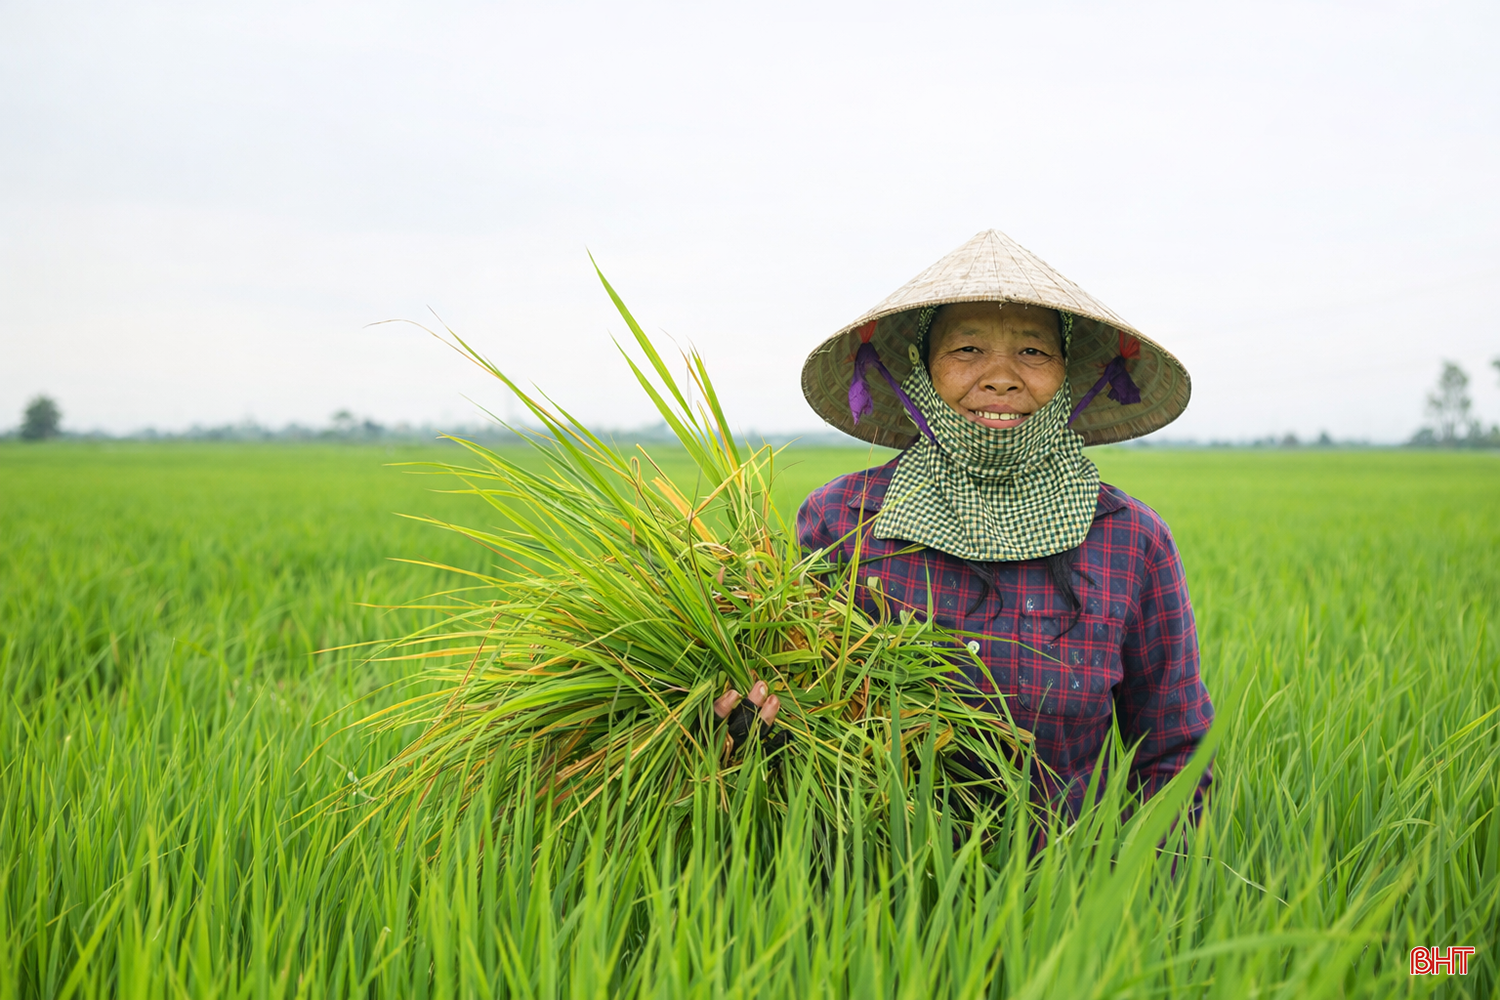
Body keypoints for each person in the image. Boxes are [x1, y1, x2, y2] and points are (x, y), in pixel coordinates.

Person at [718, 229, 1213, 820]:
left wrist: (1138, 895)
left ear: (1066, 376)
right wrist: (741, 728)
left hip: (1067, 889)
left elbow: (1175, 754)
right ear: (922, 372)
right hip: (867, 892)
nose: (1001, 377)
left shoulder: (1131, 540)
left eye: (1033, 351)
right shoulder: (842, 520)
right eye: (967, 350)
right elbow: (794, 710)